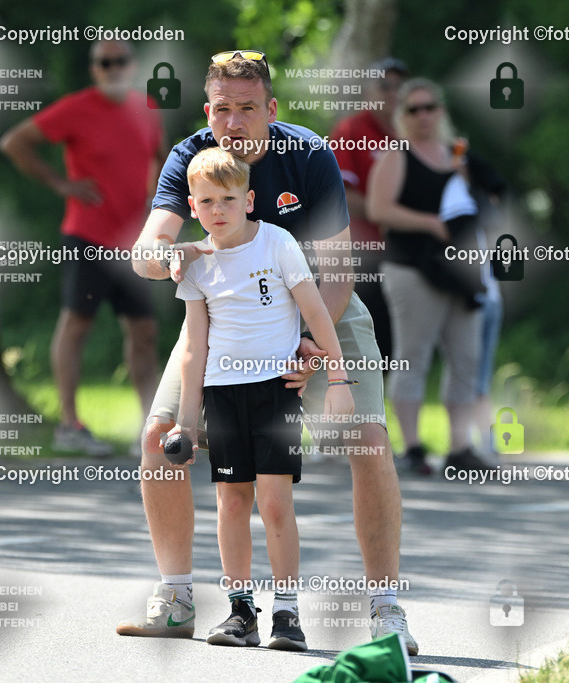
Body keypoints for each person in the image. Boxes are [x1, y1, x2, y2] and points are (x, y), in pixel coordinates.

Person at [117, 51, 418, 655]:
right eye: (223, 109)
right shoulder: (190, 158)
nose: (234, 122)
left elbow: (337, 270)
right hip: (225, 318)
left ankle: (386, 609)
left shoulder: (308, 154)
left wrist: (309, 347)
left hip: (317, 309)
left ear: (270, 111)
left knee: (369, 441)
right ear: (208, 111)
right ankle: (176, 597)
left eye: (247, 109)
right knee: (159, 438)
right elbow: (148, 247)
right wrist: (165, 258)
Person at [168, 147, 356, 650]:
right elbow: (193, 348)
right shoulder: (195, 265)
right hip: (223, 395)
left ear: (249, 199)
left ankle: (288, 613)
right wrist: (186, 423)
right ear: (192, 206)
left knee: (275, 504)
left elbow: (315, 314)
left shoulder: (277, 242)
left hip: (276, 390)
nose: (218, 209)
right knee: (231, 503)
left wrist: (336, 381)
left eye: (229, 198)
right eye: (207, 201)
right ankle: (239, 610)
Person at [0, 39, 166, 456]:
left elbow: (159, 159)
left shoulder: (146, 107)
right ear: (94, 69)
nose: (112, 68)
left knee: (144, 332)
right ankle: (70, 425)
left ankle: (150, 429)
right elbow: (14, 142)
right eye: (103, 63)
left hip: (135, 241)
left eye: (120, 61)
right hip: (88, 236)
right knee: (76, 325)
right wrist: (60, 184)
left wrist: (155, 203)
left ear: (132, 66)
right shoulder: (76, 107)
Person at [366, 78, 505, 476]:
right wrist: (429, 222)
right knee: (413, 358)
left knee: (467, 358)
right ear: (402, 115)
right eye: (413, 109)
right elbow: (379, 209)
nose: (423, 116)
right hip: (412, 268)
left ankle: (461, 447)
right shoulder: (396, 154)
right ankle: (411, 448)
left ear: (441, 110)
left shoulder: (458, 153)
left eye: (429, 107)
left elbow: (493, 196)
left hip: (462, 271)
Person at [328, 57, 408, 362]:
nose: (393, 93)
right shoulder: (351, 130)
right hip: (365, 254)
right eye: (384, 86)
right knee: (367, 340)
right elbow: (340, 197)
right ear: (367, 93)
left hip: (406, 252)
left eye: (400, 86)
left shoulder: (409, 133)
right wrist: (387, 211)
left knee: (399, 342)